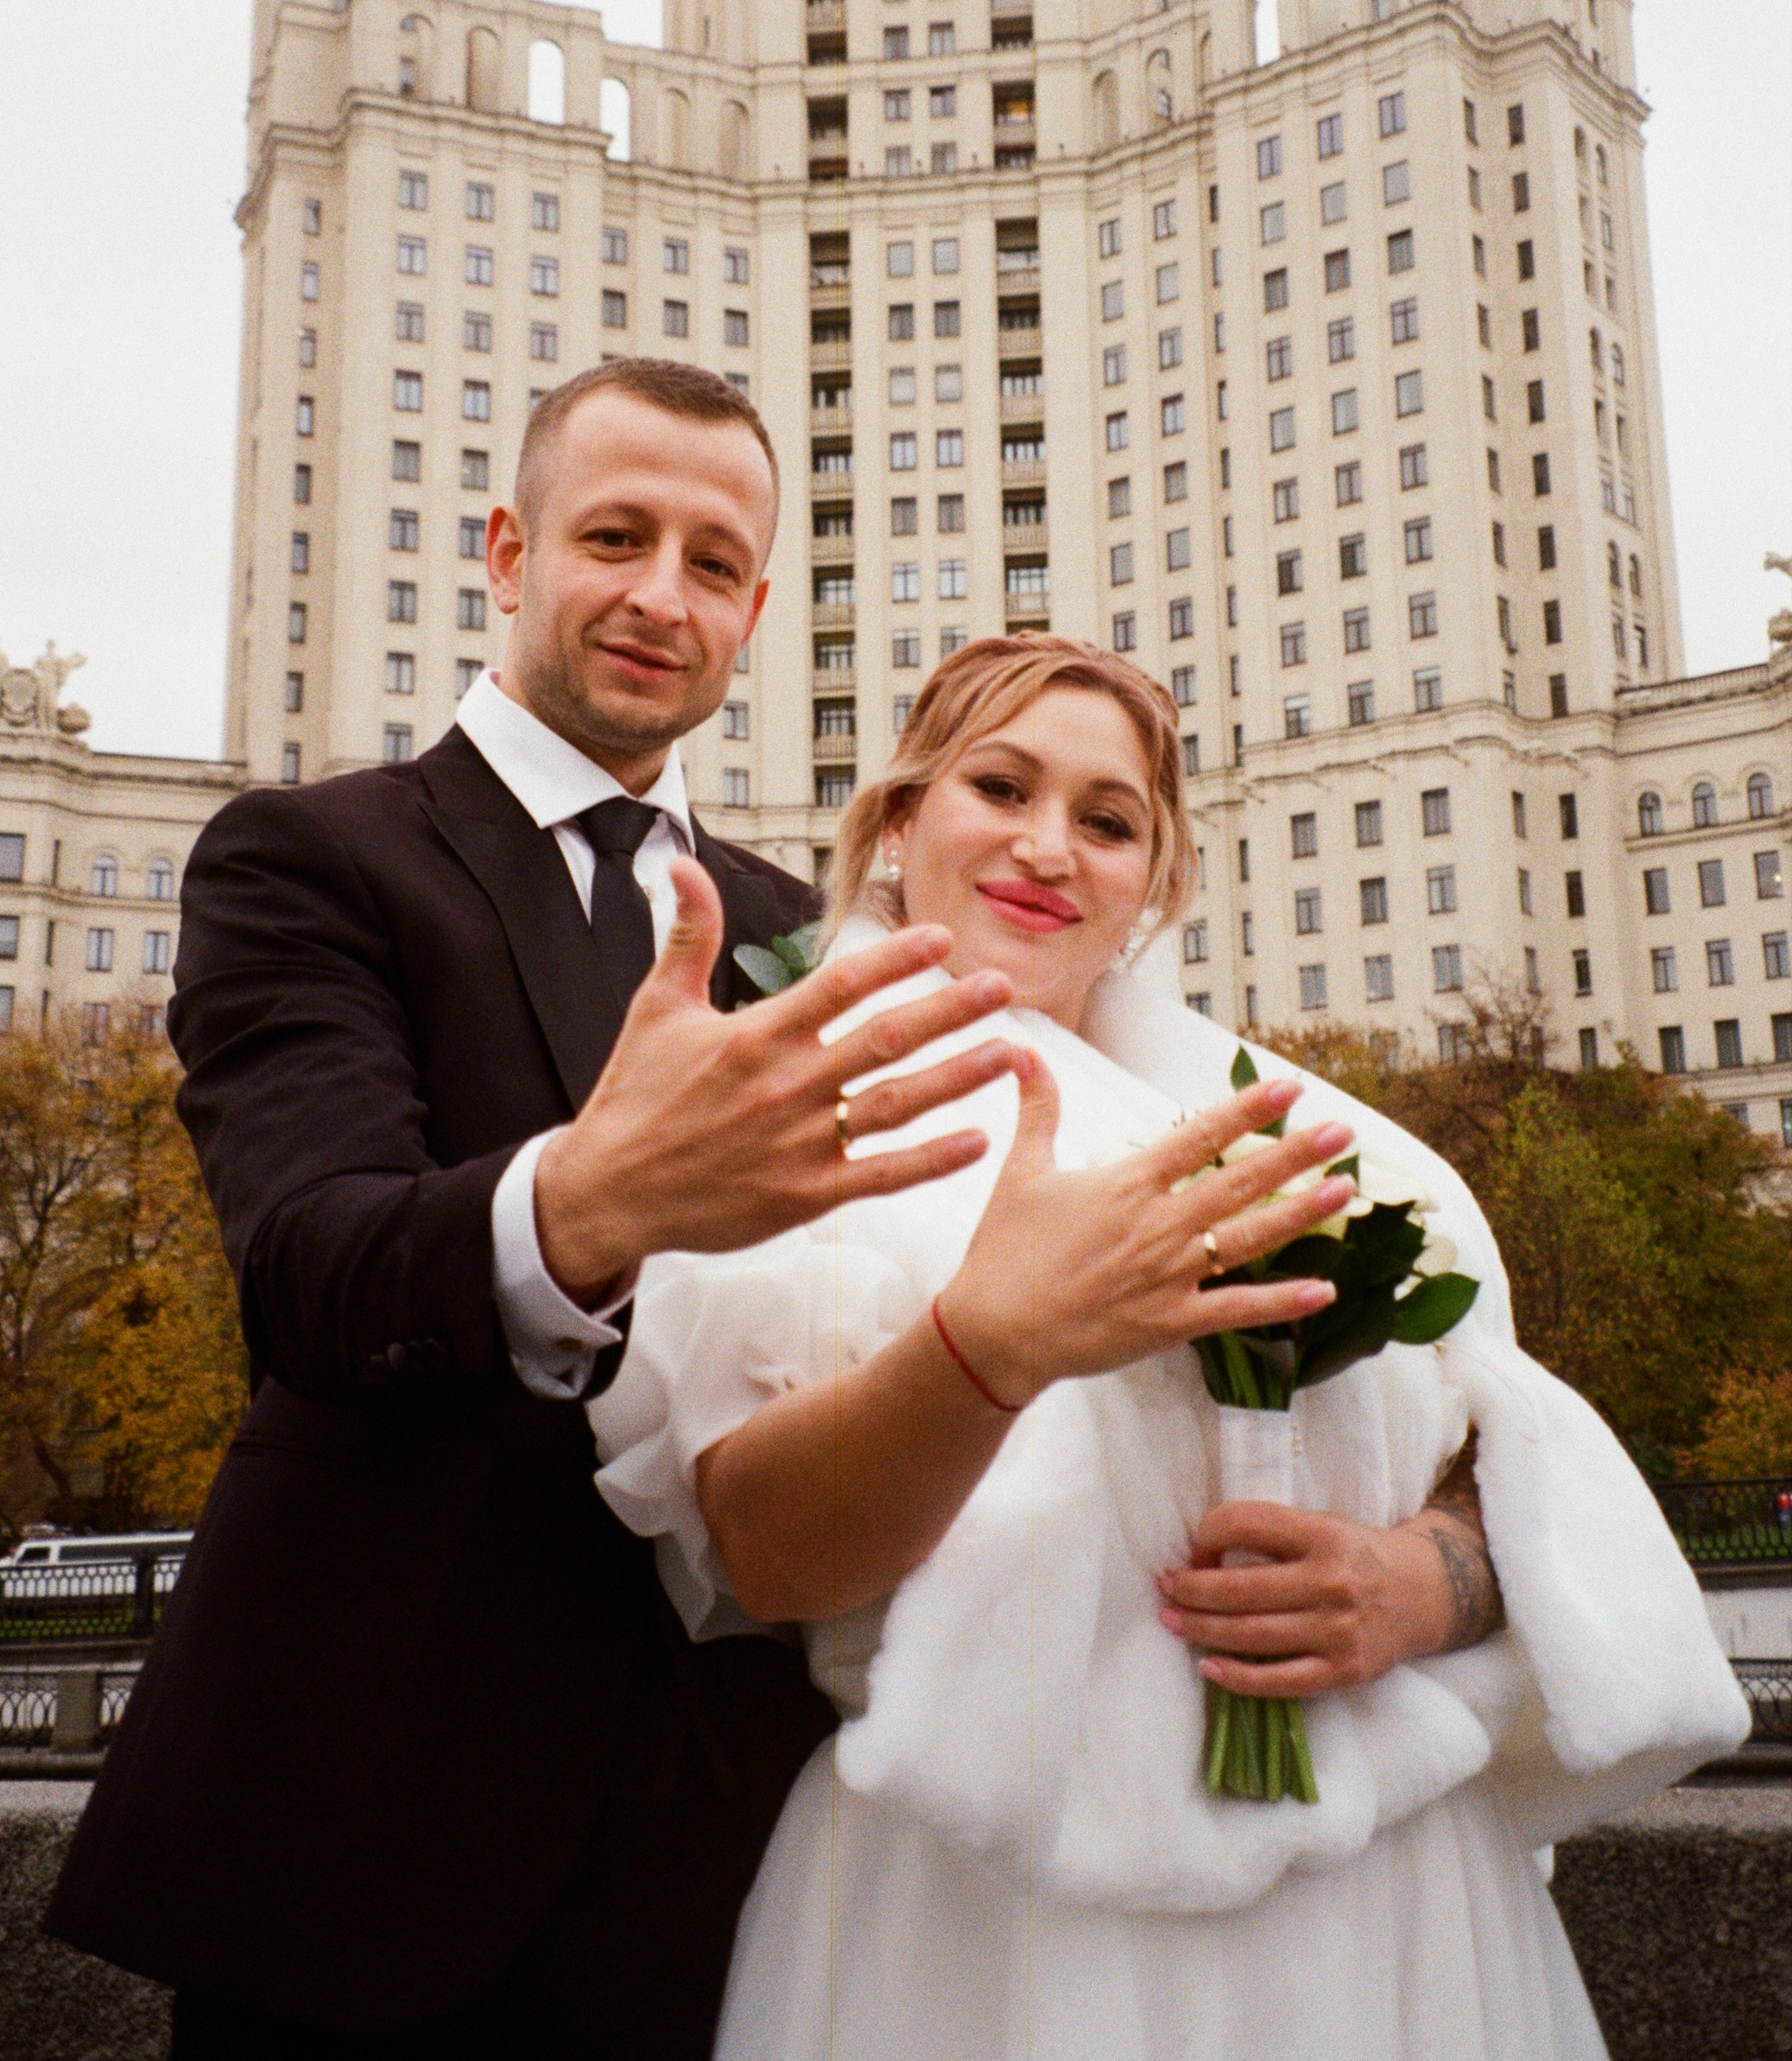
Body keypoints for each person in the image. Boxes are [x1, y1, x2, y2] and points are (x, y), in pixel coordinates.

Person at [48, 362, 1050, 2058]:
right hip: (376, 1831)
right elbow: (308, 1271)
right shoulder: (309, 854)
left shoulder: (805, 935)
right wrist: (581, 1206)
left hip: (736, 1848)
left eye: (717, 560)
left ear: (752, 615)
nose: (664, 592)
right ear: (510, 552)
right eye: (616, 534)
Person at [592, 635, 1749, 2061]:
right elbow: (759, 1551)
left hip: (1388, 1908)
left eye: (1108, 818)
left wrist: (1424, 1582)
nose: (1046, 845)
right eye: (999, 785)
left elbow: (1505, 1459)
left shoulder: (1320, 1139)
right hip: (999, 1928)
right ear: (900, 821)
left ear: (1158, 880)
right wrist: (982, 1350)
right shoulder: (787, 1110)